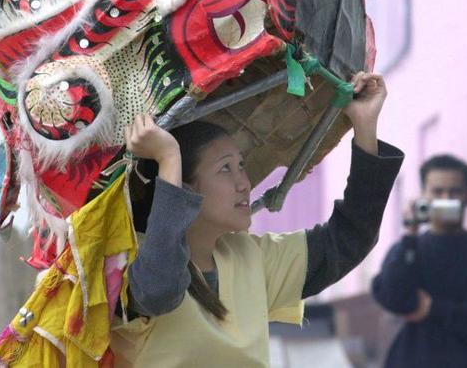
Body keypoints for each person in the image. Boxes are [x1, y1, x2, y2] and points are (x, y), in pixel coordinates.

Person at [111, 72, 404, 367]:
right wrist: (169, 159)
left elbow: (348, 240)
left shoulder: (250, 258)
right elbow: (159, 291)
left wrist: (364, 125)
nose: (244, 184)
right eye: (225, 169)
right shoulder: (128, 259)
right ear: (184, 189)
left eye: (241, 166)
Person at [372, 154, 467, 368]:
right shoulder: (409, 248)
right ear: (423, 197)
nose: (446, 198)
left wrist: (433, 308)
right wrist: (410, 233)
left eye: (454, 192)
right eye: (437, 192)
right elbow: (393, 298)